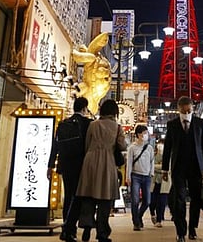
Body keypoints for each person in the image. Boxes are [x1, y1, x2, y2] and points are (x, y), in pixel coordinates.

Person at [76, 99, 127, 242]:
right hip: (107, 162)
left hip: (90, 161)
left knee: (88, 196)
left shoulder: (93, 124)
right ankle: (102, 233)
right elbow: (122, 146)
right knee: (105, 199)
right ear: (115, 112)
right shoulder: (117, 127)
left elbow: (87, 144)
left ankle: (86, 227)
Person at [162, 96, 203, 242]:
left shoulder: (200, 123)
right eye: (184, 111)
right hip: (178, 168)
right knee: (179, 200)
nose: (187, 113)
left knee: (196, 199)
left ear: (193, 108)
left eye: (189, 110)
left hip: (196, 166)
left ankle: (192, 229)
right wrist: (164, 169)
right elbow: (167, 148)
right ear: (179, 110)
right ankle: (180, 231)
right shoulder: (172, 125)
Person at [47, 97, 93, 242]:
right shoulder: (88, 124)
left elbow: (55, 146)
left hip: (65, 165)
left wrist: (50, 165)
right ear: (85, 108)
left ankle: (68, 228)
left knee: (68, 196)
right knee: (79, 197)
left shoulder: (63, 123)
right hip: (81, 165)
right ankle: (69, 229)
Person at [126, 124, 154, 231]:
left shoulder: (149, 148)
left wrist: (151, 173)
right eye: (144, 133)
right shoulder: (132, 148)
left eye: (146, 133)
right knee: (135, 200)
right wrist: (128, 176)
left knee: (147, 201)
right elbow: (129, 163)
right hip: (135, 176)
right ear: (138, 134)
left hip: (146, 177)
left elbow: (152, 161)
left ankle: (139, 216)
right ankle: (136, 223)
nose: (146, 135)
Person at [149, 140, 170, 227]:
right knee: (152, 201)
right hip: (154, 181)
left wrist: (156, 167)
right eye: (159, 145)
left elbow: (168, 168)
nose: (161, 146)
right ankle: (152, 214)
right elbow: (150, 166)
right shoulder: (153, 156)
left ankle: (159, 220)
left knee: (161, 202)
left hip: (164, 181)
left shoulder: (169, 156)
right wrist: (161, 167)